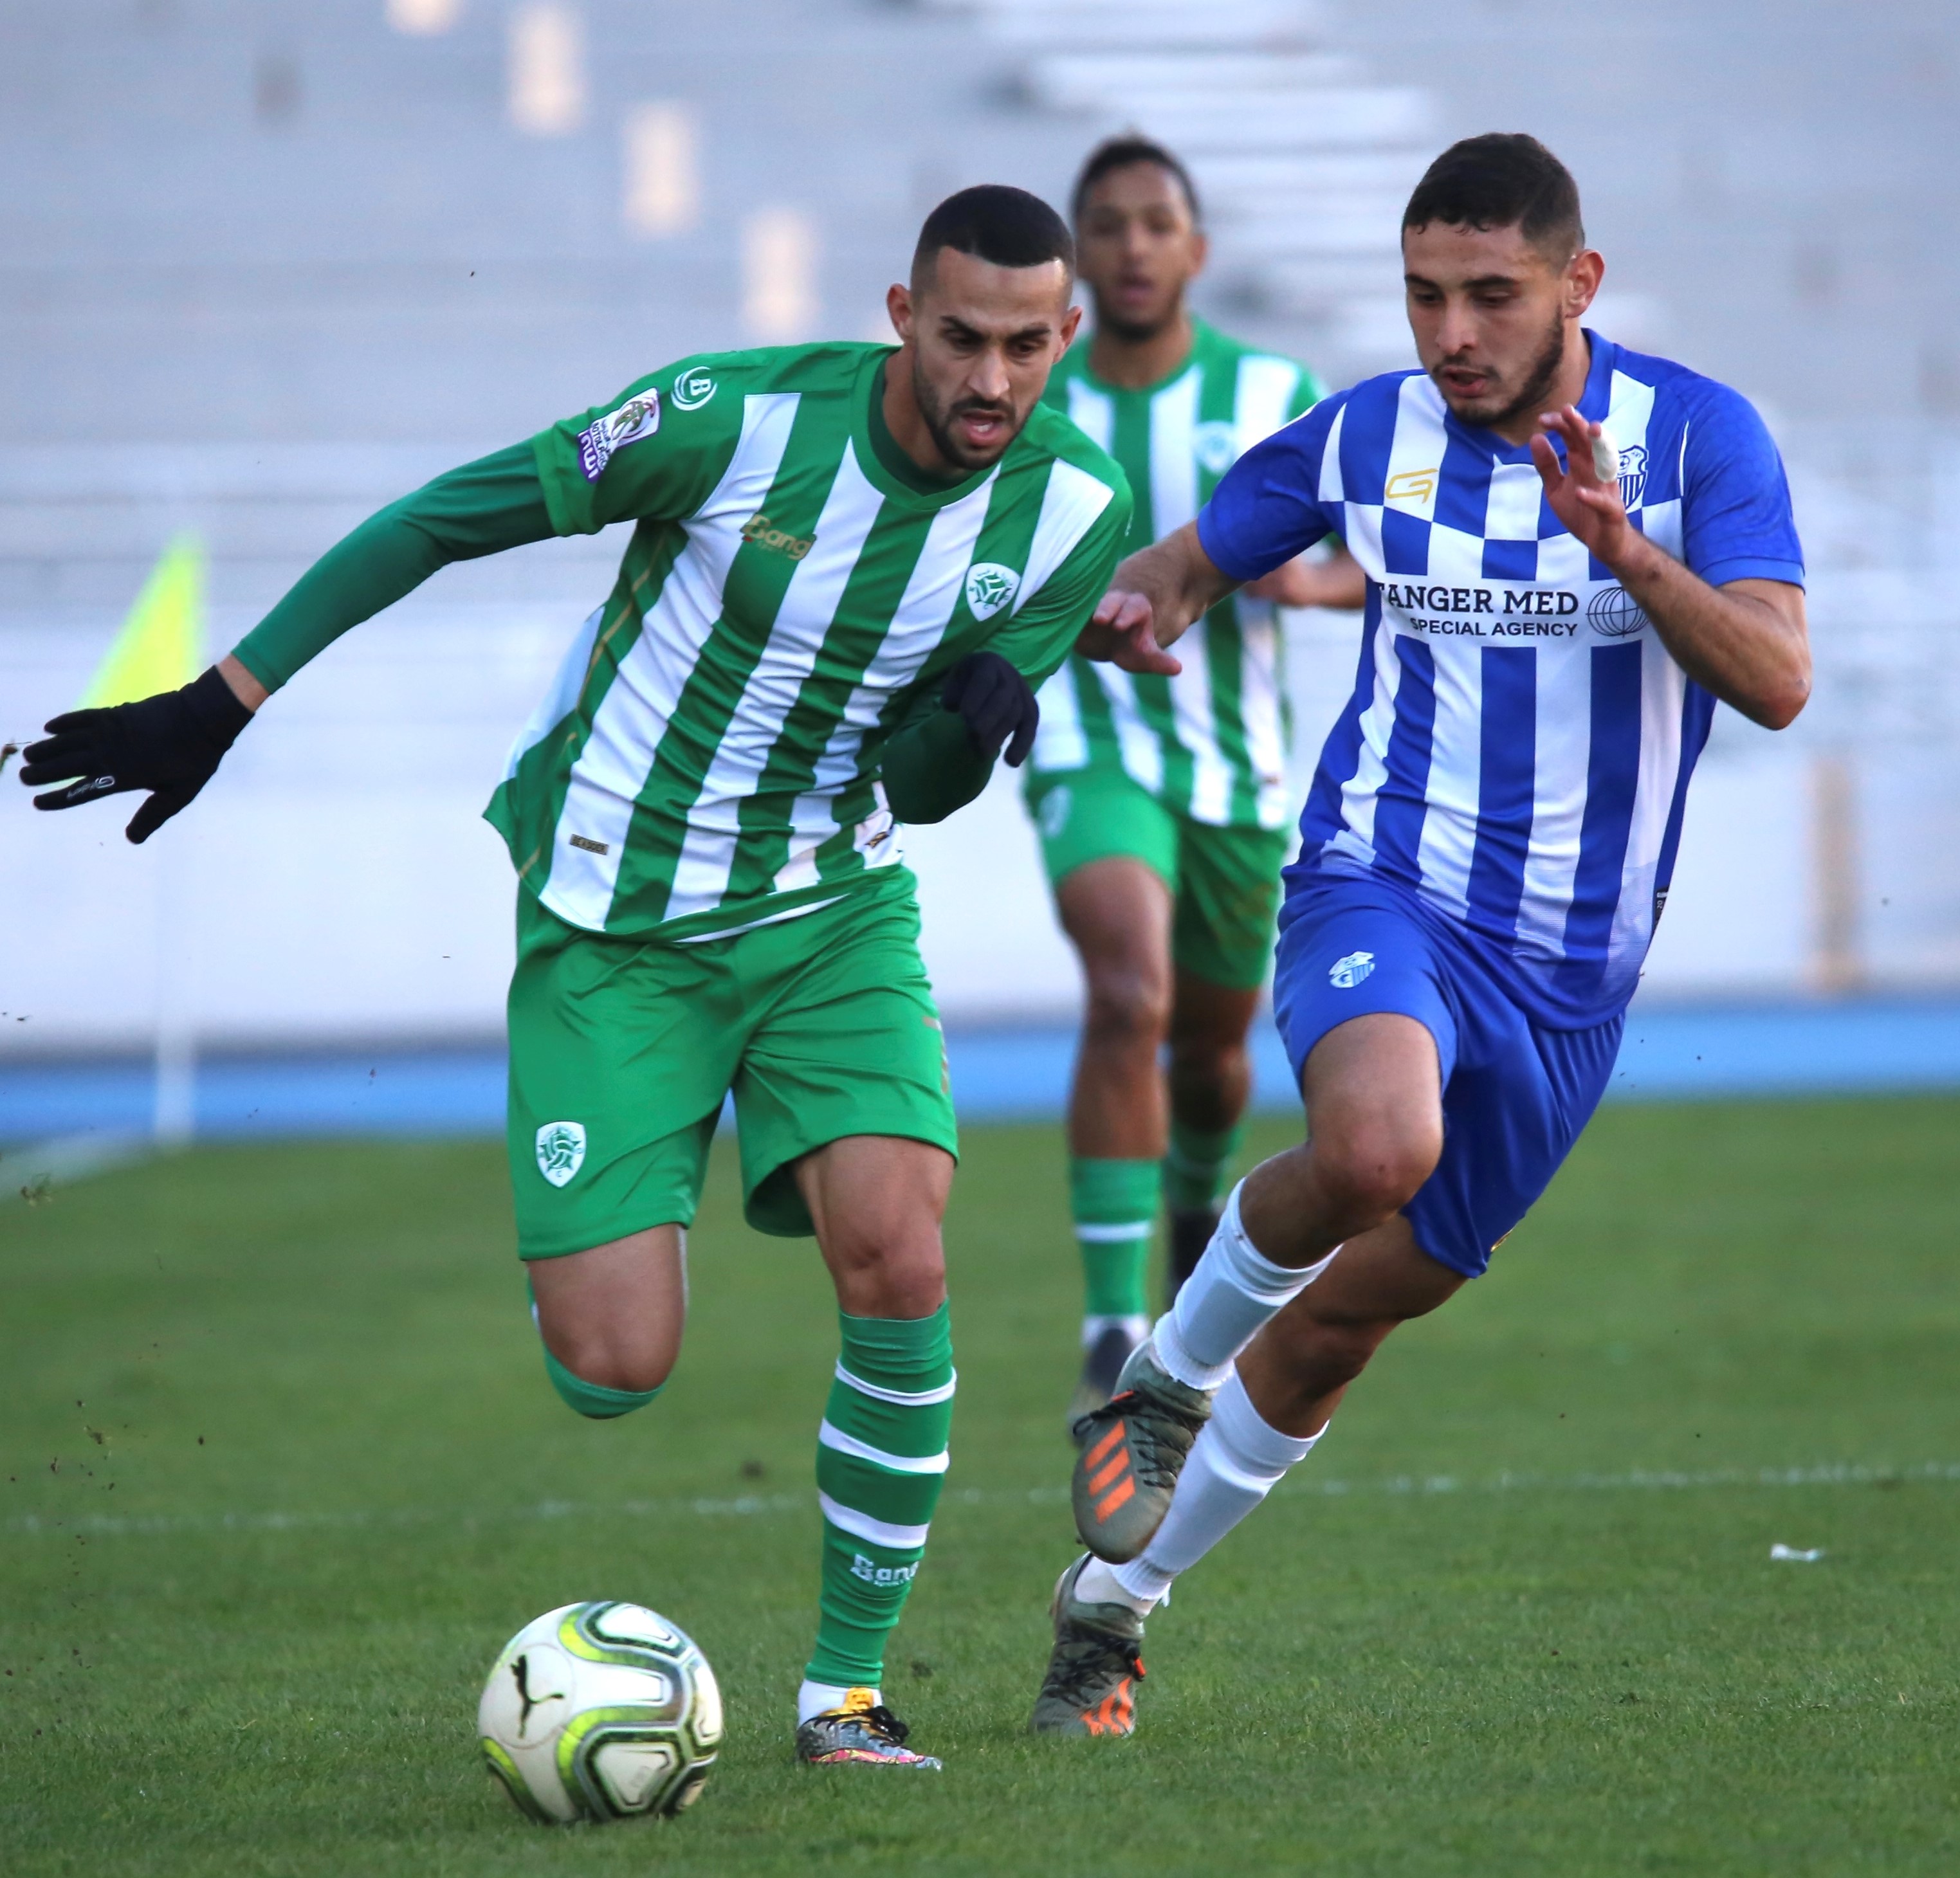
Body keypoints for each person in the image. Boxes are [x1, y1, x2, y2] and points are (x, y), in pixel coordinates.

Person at [16, 187, 1135, 1766]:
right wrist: (224, 696)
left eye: (1027, 346)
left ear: (1064, 337)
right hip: (614, 919)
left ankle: (845, 1693)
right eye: (962, 337)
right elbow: (446, 513)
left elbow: (934, 783)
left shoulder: (1072, 514)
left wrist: (967, 727)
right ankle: (601, 1187)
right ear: (901, 311)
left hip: (831, 910)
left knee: (900, 1251)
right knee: (616, 1368)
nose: (992, 381)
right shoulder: (731, 422)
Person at [1027, 132, 1810, 1738]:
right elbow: (1186, 561)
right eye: (1421, 296)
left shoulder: (1696, 440)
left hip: (1573, 983)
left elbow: (1779, 679)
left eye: (1489, 297)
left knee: (1337, 1328)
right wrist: (1143, 607)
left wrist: (1625, 552)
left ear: (1576, 285)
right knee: (1373, 1143)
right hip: (1380, 881)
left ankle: (1109, 1610)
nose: (1448, 333)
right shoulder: (1367, 429)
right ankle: (1160, 1377)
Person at [1022, 136, 1363, 1436]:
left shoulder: (1270, 388)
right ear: (1075, 257)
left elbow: (1398, 553)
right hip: (1086, 736)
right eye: (1103, 225)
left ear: (1196, 250)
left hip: (1237, 766)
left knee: (1214, 1050)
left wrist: (1308, 579)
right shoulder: (1035, 402)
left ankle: (1188, 1207)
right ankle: (1112, 1324)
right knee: (1128, 986)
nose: (1129, 246)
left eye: (1154, 222)